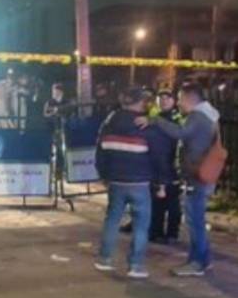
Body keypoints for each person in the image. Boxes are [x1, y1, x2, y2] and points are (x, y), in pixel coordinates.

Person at [136, 83, 221, 277]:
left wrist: (155, 121)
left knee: (195, 222)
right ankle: (202, 260)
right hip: (203, 174)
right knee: (196, 220)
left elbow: (181, 133)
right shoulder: (209, 115)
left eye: (181, 99)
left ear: (191, 99)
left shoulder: (198, 116)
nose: (179, 103)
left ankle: (197, 263)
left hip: (197, 176)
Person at [94, 87, 167, 279]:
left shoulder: (109, 122)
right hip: (140, 182)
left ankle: (104, 259)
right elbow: (158, 156)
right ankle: (136, 266)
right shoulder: (145, 126)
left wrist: (104, 175)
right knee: (141, 225)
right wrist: (161, 183)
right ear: (139, 102)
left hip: (116, 181)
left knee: (112, 220)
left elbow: (100, 151)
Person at [149, 89, 183, 244]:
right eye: (160, 98)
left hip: (172, 164)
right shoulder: (155, 117)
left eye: (167, 98)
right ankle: (157, 232)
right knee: (157, 203)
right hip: (157, 164)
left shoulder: (177, 118)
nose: (163, 101)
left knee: (172, 203)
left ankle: (171, 233)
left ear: (174, 101)